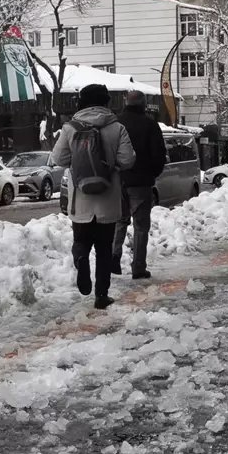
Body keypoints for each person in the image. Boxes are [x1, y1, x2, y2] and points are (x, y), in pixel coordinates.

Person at [51, 83, 136, 309]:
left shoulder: (71, 128)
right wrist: (111, 166)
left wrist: (78, 162)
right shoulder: (117, 128)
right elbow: (128, 160)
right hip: (108, 201)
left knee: (81, 241)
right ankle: (101, 295)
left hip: (81, 200)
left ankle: (80, 259)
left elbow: (58, 159)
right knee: (104, 249)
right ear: (106, 102)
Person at [113, 90, 167, 280]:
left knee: (119, 221)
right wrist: (151, 174)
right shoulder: (150, 125)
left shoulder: (116, 123)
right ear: (143, 104)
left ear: (126, 102)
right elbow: (159, 155)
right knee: (141, 226)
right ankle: (138, 267)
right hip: (141, 182)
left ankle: (114, 257)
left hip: (118, 180)